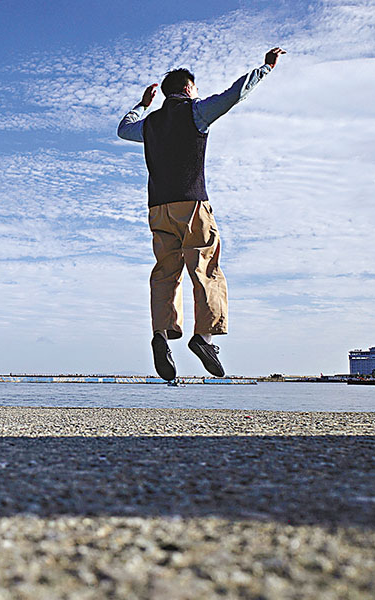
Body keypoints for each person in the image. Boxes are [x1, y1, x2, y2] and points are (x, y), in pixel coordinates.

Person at [117, 47, 286, 380]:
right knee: (205, 268)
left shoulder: (150, 125)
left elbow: (124, 128)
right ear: (188, 88)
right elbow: (234, 94)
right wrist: (265, 67)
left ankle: (161, 334)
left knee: (166, 273)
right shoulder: (195, 111)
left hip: (158, 209)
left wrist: (142, 104)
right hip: (192, 203)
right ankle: (204, 338)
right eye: (194, 87)